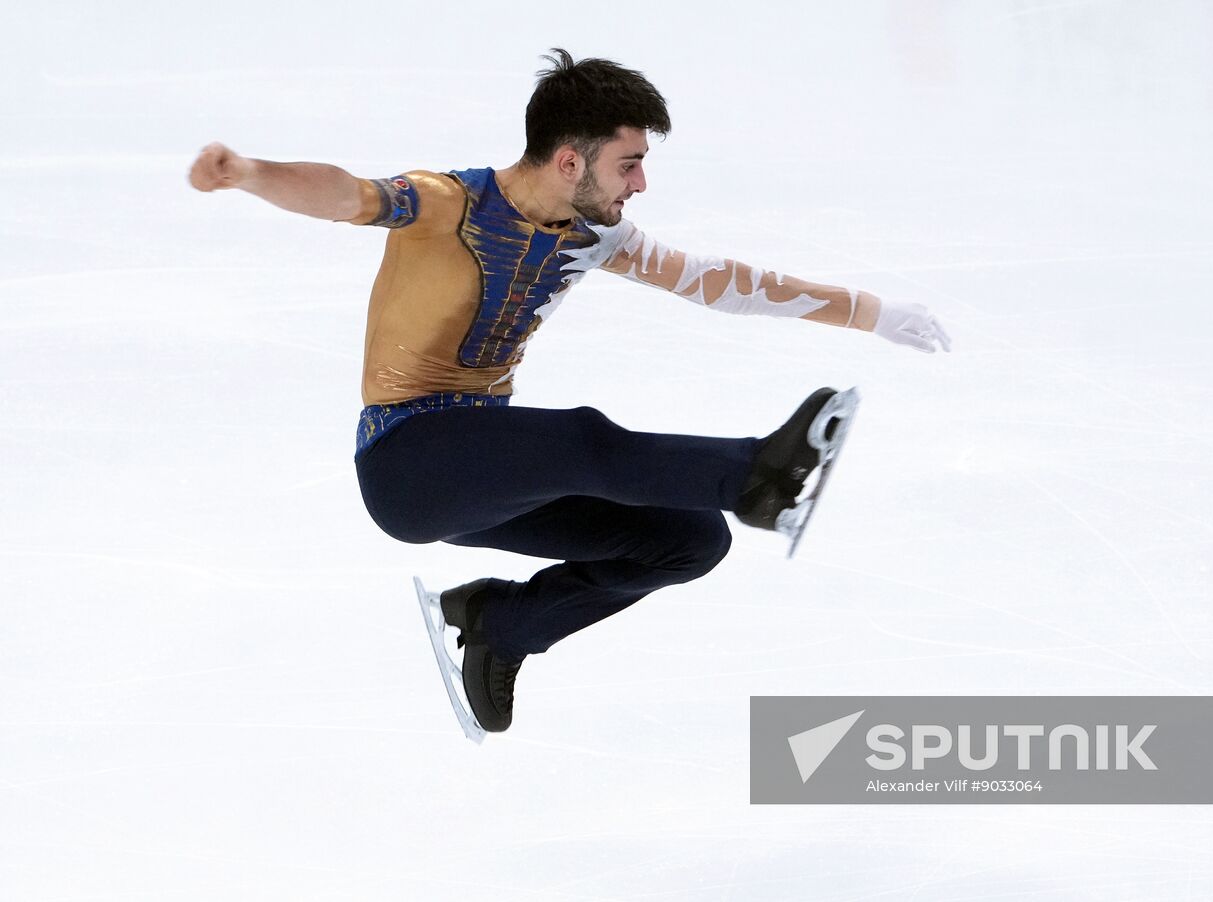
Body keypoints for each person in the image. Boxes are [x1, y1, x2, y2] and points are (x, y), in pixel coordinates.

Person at [188, 48, 950, 735]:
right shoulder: (446, 203)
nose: (641, 183)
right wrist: (251, 174)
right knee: (585, 441)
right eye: (628, 164)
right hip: (408, 463)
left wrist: (868, 313)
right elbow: (346, 194)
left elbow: (718, 281)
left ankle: (504, 625)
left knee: (689, 541)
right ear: (567, 161)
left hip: (493, 475)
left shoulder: (595, 235)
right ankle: (755, 477)